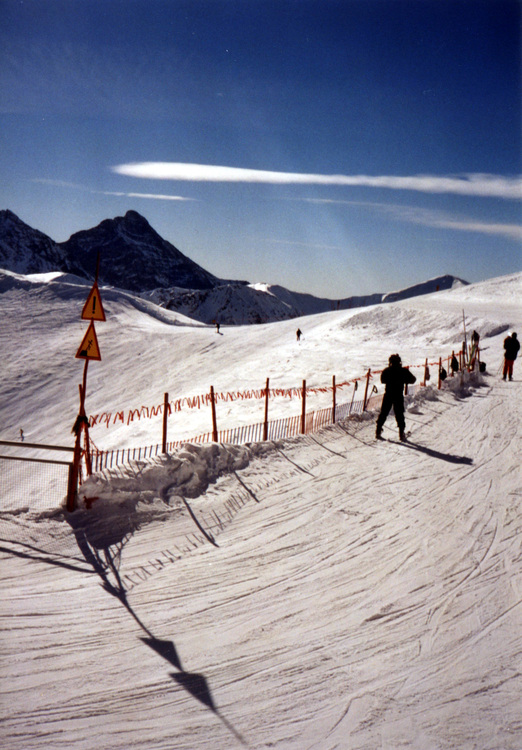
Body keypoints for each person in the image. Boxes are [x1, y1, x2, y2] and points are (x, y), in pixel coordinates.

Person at [376, 354, 417, 441]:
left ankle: (378, 430)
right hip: (398, 395)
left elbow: (382, 380)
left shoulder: (387, 370)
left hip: (388, 394)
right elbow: (413, 380)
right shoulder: (403, 371)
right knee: (399, 414)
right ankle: (401, 433)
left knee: (384, 413)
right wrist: (404, 379)